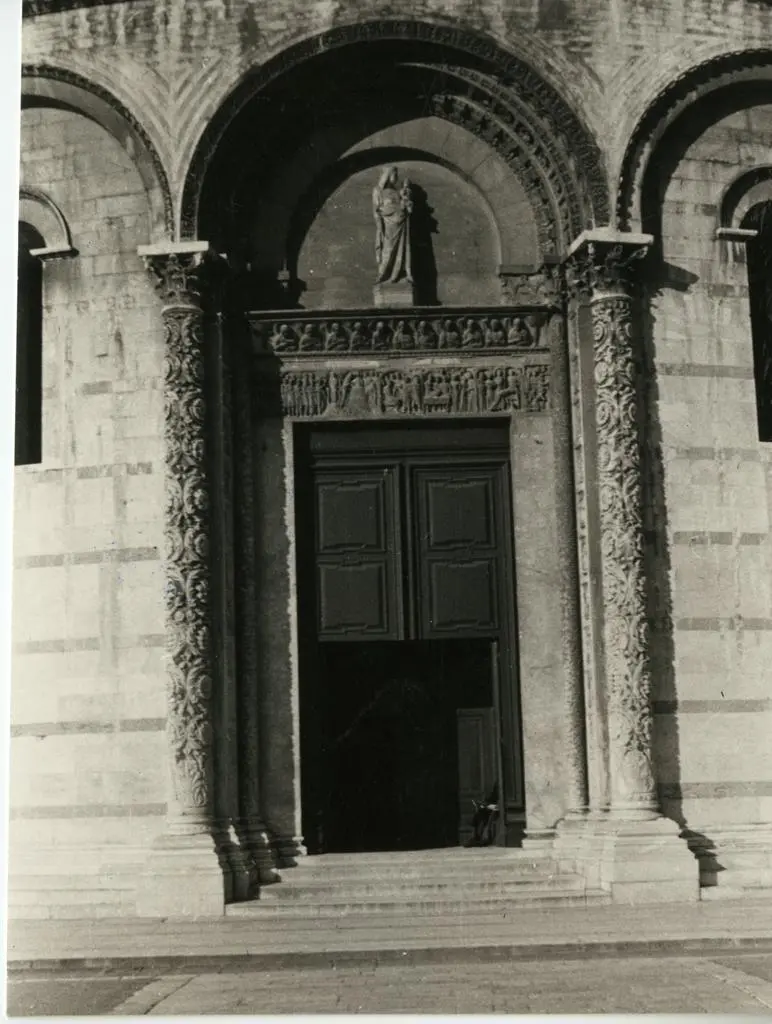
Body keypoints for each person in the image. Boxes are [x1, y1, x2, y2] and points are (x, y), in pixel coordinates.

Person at [373, 166, 413, 284]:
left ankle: (399, 274)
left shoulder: (397, 192)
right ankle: (383, 274)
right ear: (388, 175)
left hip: (401, 221)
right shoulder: (378, 190)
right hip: (389, 223)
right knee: (388, 248)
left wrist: (406, 204)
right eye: (394, 174)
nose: (396, 177)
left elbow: (404, 205)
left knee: (402, 249)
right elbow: (378, 209)